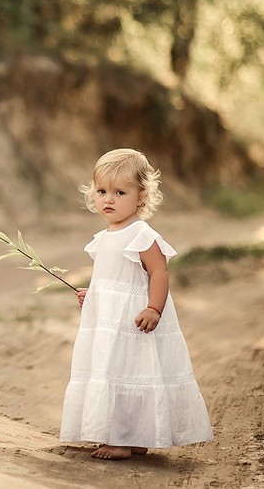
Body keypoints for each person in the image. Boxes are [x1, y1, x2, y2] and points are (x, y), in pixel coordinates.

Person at [60, 148, 212, 460]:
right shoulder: (105, 236)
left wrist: (154, 308)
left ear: (140, 196)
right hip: (110, 320)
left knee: (130, 371)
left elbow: (159, 272)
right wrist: (94, 295)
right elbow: (113, 280)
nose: (108, 200)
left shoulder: (141, 234)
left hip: (133, 321)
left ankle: (121, 439)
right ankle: (135, 436)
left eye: (120, 192)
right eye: (102, 191)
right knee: (115, 369)